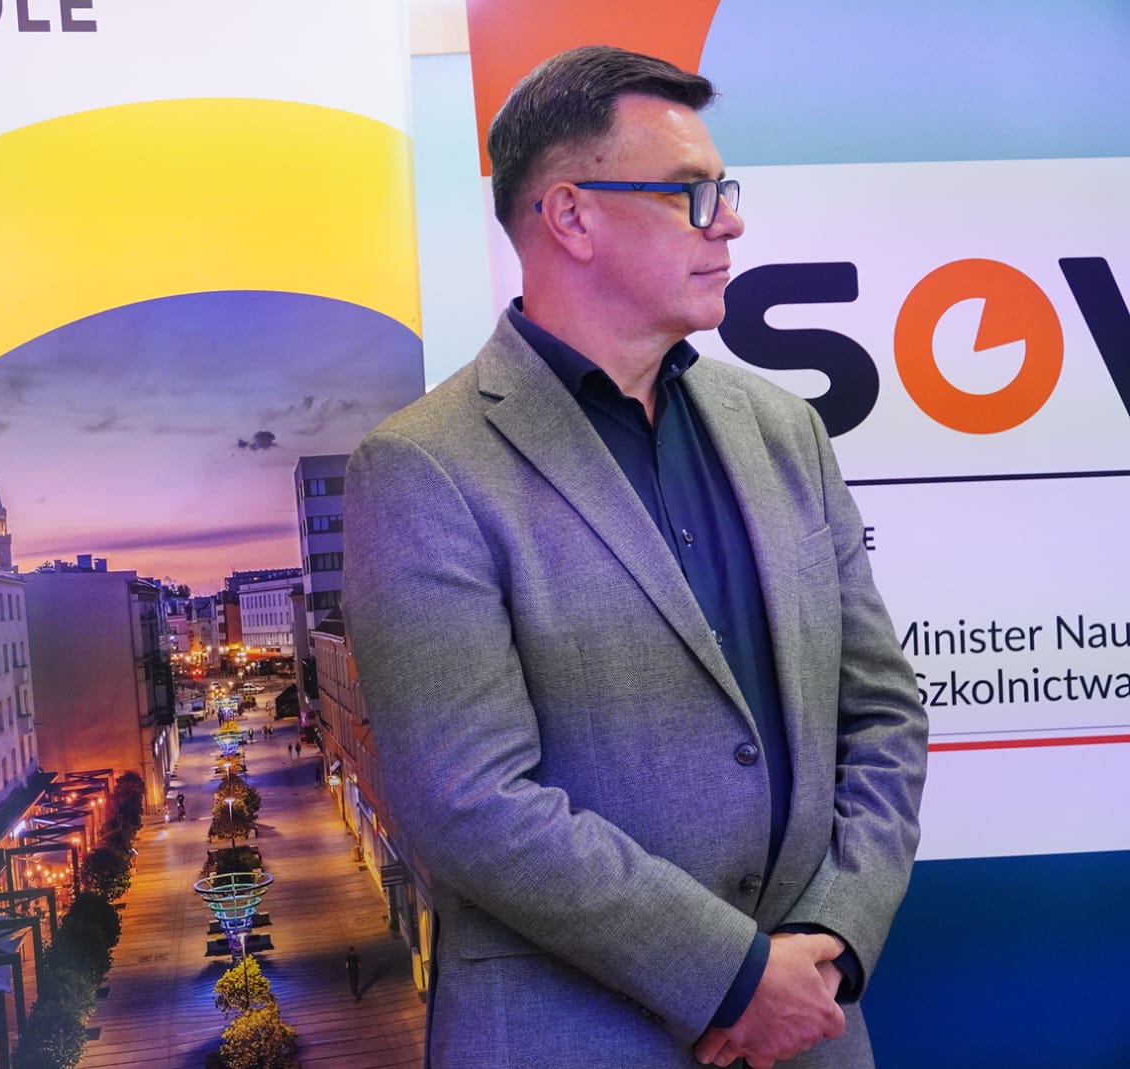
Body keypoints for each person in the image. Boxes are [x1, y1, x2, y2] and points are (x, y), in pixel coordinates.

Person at [342, 46, 927, 1069]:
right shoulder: (424, 467)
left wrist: (830, 938)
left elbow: (882, 714)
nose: (729, 223)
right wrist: (734, 977)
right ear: (571, 217)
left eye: (726, 192)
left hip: (813, 1030)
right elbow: (467, 801)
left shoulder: (783, 428)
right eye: (692, 194)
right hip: (574, 1038)